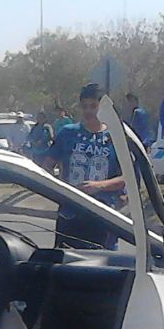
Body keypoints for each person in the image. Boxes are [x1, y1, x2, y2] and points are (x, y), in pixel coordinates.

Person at [42, 83, 124, 250]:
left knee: (104, 267)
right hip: (70, 212)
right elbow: (46, 167)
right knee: (67, 265)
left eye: (93, 106)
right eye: (84, 106)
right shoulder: (67, 133)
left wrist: (100, 185)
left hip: (103, 212)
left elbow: (127, 178)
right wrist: (62, 189)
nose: (89, 111)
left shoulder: (116, 136)